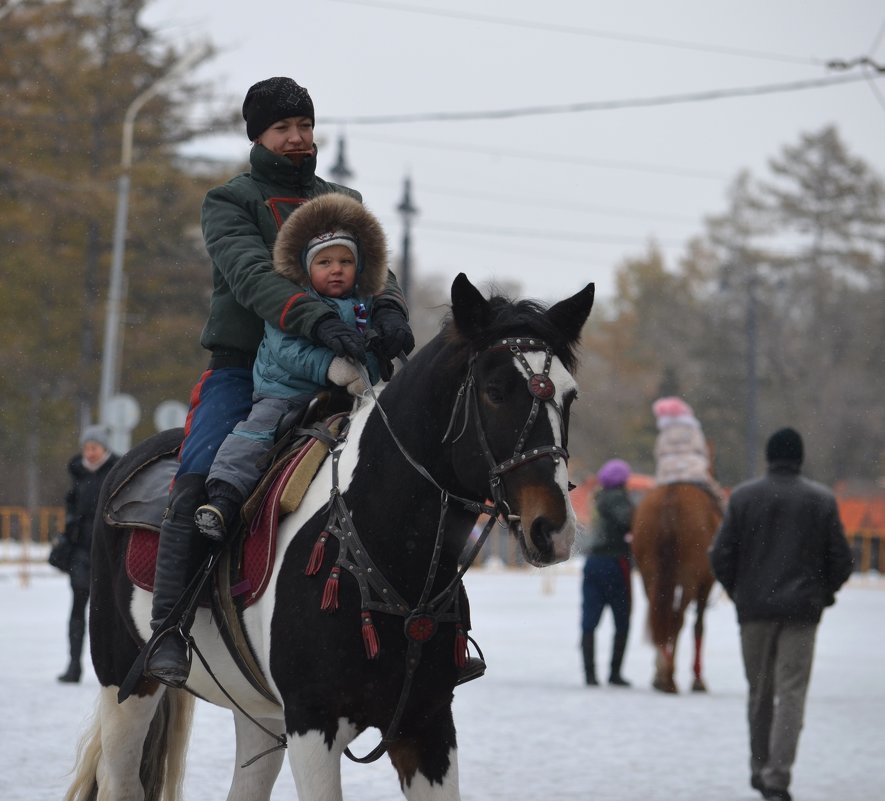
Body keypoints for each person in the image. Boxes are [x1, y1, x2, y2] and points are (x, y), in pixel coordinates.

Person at [144, 76, 414, 687]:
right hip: (249, 371)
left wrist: (391, 305)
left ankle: (432, 621)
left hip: (351, 365)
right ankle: (168, 629)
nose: (297, 138)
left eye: (305, 126)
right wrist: (318, 321)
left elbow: (372, 265)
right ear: (258, 136)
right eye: (282, 129)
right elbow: (251, 278)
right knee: (201, 473)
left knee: (417, 459)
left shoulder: (341, 196)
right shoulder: (229, 202)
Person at [194, 192, 387, 539]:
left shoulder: (364, 307)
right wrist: (331, 367)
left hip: (347, 396)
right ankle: (224, 496)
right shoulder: (294, 301)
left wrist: (375, 359)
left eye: (345, 261)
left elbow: (367, 354)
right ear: (307, 269)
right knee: (257, 432)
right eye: (324, 263)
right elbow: (287, 351)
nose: (336, 269)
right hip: (287, 392)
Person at [709, 427, 853, 801]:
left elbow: (719, 556)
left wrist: (739, 592)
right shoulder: (821, 500)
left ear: (769, 457)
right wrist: (822, 594)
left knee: (759, 693)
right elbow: (841, 560)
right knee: (791, 694)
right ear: (800, 457)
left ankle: (758, 766)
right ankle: (778, 776)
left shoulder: (743, 497)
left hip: (754, 610)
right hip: (801, 612)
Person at [58, 425, 118, 683]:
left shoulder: (116, 471)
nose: (89, 452)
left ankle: (111, 666)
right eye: (86, 447)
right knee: (77, 609)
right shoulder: (79, 473)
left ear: (104, 448)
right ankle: (74, 665)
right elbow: (72, 510)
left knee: (108, 610)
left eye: (94, 447)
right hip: (81, 553)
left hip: (108, 553)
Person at [580, 458, 635, 687]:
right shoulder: (618, 498)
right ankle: (614, 673)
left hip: (593, 561)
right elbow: (627, 520)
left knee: (589, 620)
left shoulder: (598, 497)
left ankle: (590, 674)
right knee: (622, 620)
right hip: (615, 562)